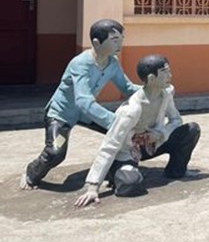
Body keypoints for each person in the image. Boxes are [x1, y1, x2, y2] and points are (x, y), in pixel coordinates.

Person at [21, 19, 141, 189]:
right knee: (55, 152)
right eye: (114, 39)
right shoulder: (81, 64)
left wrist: (152, 90)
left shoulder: (112, 63)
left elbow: (127, 88)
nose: (120, 43)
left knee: (122, 135)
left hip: (85, 115)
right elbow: (83, 100)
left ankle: (115, 174)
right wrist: (114, 120)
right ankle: (31, 174)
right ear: (96, 43)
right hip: (61, 115)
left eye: (121, 38)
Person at [74, 54, 201, 206]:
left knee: (191, 130)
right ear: (151, 78)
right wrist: (93, 187)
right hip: (129, 152)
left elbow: (176, 120)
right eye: (165, 72)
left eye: (169, 70)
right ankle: (116, 173)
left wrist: (161, 133)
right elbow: (109, 146)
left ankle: (176, 170)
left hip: (152, 145)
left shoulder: (166, 93)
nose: (170, 75)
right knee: (131, 184)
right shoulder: (131, 110)